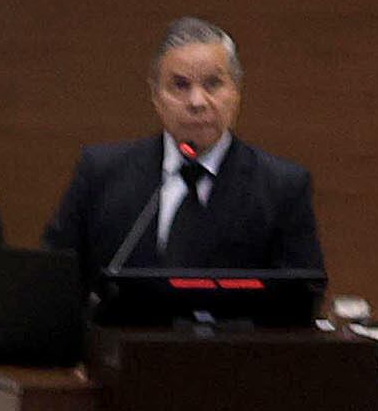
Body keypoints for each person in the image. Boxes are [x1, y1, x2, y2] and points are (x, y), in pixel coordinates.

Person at [41, 18, 324, 281]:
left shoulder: (281, 188)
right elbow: (52, 277)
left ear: (236, 92)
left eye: (213, 84)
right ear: (156, 96)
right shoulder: (102, 173)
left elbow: (301, 295)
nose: (197, 101)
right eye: (180, 85)